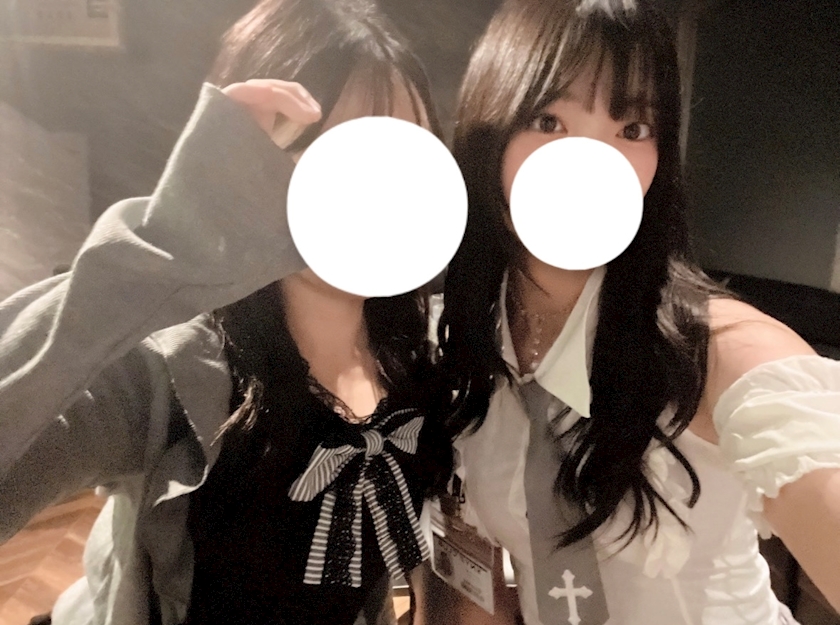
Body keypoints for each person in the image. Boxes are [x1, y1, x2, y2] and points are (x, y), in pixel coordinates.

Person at [0, 0, 452, 623]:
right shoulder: (164, 375)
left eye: (400, 153)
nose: (375, 190)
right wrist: (169, 242)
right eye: (326, 152)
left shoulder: (422, 353)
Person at [428, 0, 840, 623]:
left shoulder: (717, 350)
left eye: (633, 129)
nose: (592, 163)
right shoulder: (464, 340)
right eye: (548, 120)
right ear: (490, 134)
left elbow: (800, 436)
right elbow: (470, 572)